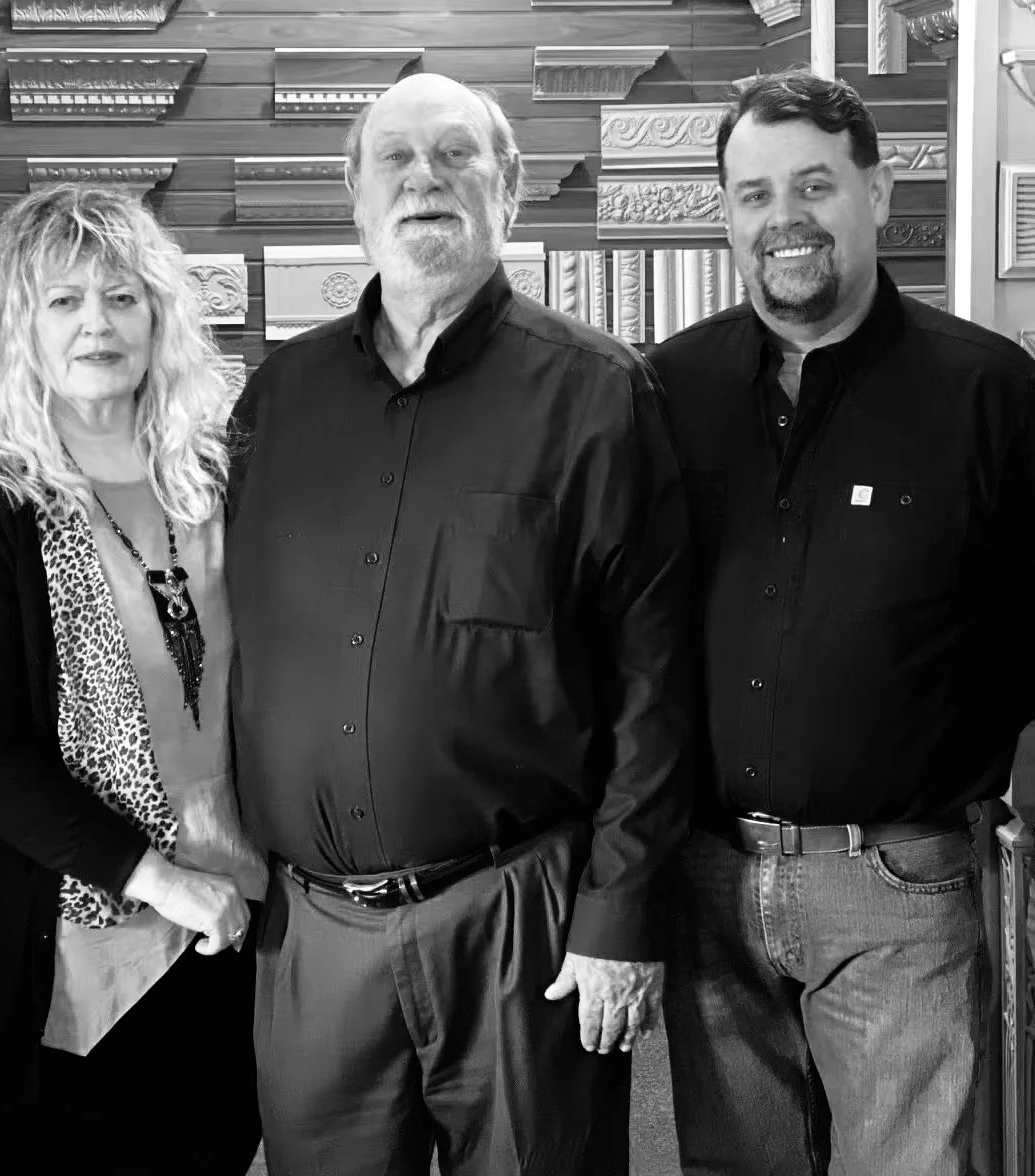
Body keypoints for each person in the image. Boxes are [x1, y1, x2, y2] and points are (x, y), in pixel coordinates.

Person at [225, 72, 692, 1176]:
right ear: (353, 194)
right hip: (315, 936)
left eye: (454, 155)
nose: (422, 178)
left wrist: (618, 916)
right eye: (392, 157)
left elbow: (653, 682)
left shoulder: (596, 394)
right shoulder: (275, 402)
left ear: (508, 189)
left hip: (515, 922)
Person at [649, 68, 1035, 1176]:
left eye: (813, 185)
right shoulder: (666, 391)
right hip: (707, 879)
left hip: (901, 888)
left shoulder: (986, 393)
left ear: (875, 187)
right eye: (752, 193)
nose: (784, 220)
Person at [0, 183, 267, 1176]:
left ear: (161, 315)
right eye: (62, 301)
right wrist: (157, 880)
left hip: (235, 926)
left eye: (121, 296)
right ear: (17, 326)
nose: (96, 324)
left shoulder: (222, 473)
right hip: (69, 954)